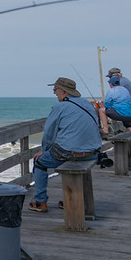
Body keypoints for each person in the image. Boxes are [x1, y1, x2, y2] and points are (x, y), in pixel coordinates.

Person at [28, 77, 102, 213]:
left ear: (63, 91)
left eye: (55, 90)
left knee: (39, 162)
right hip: (92, 153)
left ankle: (40, 201)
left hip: (70, 153)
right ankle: (71, 198)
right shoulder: (86, 104)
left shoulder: (59, 107)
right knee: (66, 157)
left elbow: (49, 133)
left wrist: (44, 150)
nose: (54, 93)